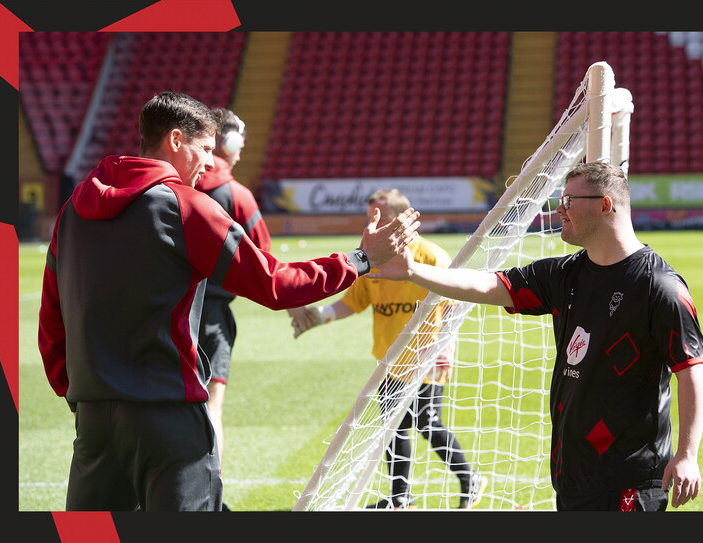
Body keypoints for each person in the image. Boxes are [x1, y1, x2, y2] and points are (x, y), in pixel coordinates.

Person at [37, 91, 420, 512]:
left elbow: (52, 320)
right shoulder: (187, 208)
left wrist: (78, 393)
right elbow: (276, 284)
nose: (209, 162)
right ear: (176, 140)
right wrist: (360, 260)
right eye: (204, 149)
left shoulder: (72, 211)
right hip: (166, 418)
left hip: (94, 420)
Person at [371, 162, 703, 511]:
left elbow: (691, 367)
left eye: (568, 200)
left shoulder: (659, 287)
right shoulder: (565, 274)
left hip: (630, 479)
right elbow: (490, 285)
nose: (559, 209)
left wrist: (687, 454)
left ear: (605, 205)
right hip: (572, 472)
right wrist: (413, 271)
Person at [289, 189, 488, 510]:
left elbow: (453, 306)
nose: (373, 224)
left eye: (378, 217)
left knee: (427, 422)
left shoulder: (432, 256)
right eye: (371, 218)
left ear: (399, 221)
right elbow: (351, 303)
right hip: (390, 360)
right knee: (393, 429)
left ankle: (469, 478)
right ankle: (400, 497)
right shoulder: (373, 261)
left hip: (426, 359)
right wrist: (318, 317)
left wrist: (446, 348)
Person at [194, 108, 270, 510]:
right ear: (232, 141)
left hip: (163, 312)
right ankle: (210, 497)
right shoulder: (236, 194)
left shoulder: (171, 187)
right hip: (212, 317)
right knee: (211, 408)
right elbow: (265, 264)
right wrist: (300, 310)